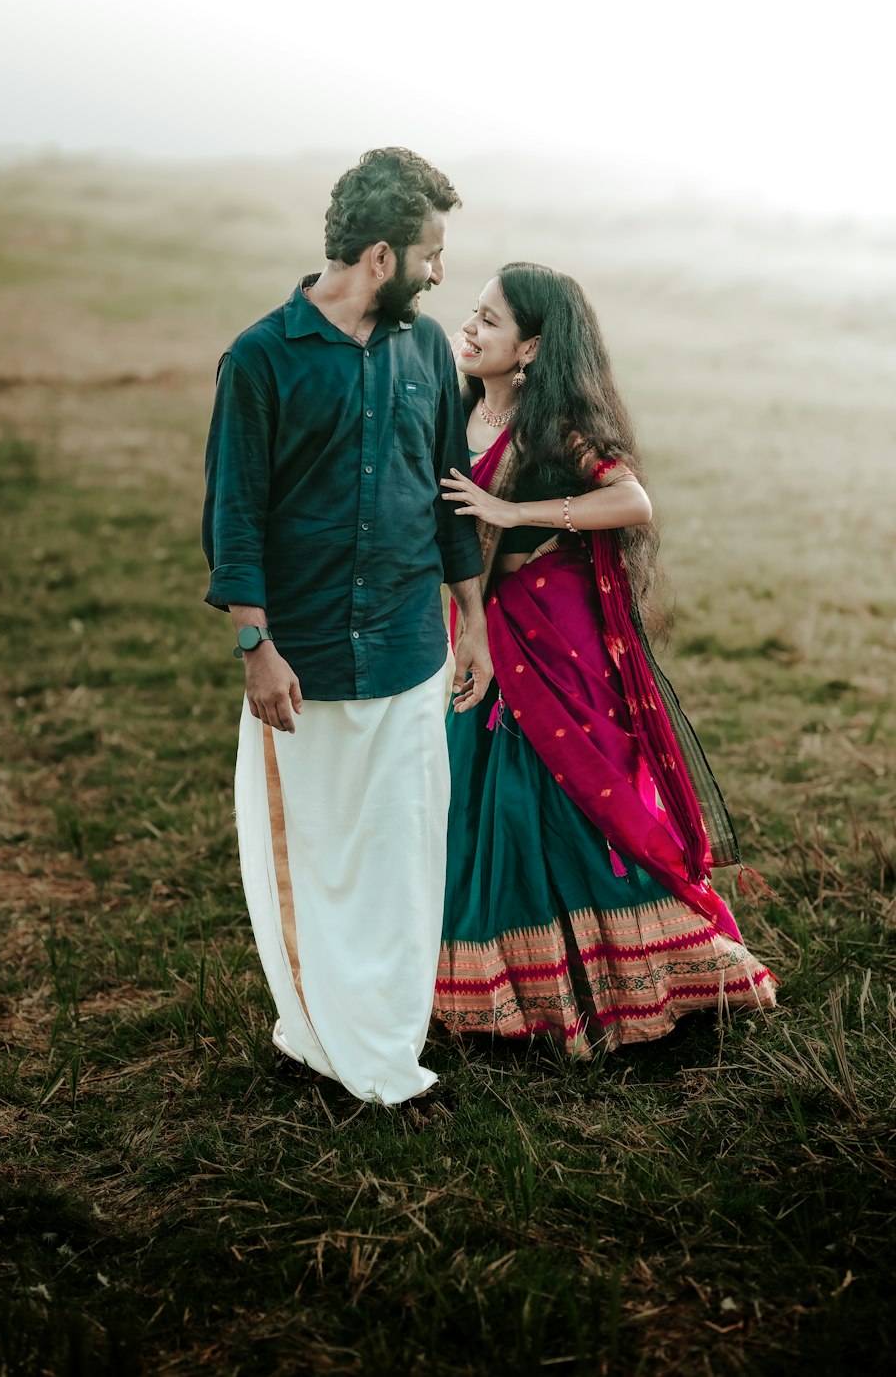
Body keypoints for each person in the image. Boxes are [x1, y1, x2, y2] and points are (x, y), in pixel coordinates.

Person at [202, 148, 492, 1104]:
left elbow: (449, 501)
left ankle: (388, 1054)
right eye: (431, 254)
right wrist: (257, 646)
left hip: (415, 650)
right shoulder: (259, 360)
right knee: (317, 861)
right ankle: (326, 1039)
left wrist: (474, 625)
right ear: (381, 255)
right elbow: (234, 515)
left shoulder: (424, 352)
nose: (441, 273)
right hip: (305, 664)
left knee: (406, 860)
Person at [433, 262, 777, 1049]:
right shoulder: (449, 415)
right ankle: (501, 984)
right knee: (477, 806)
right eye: (474, 312)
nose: (473, 328)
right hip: (477, 627)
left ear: (531, 349)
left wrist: (510, 508)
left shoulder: (550, 429)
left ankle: (634, 978)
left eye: (492, 320)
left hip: (550, 635)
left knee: (555, 802)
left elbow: (632, 500)